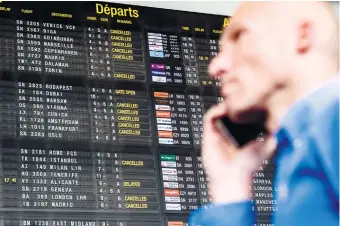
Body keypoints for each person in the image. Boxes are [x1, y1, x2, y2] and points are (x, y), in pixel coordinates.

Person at [189, 2, 339, 226]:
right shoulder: (300, 148)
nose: (215, 67)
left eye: (239, 36)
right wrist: (230, 186)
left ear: (303, 35)